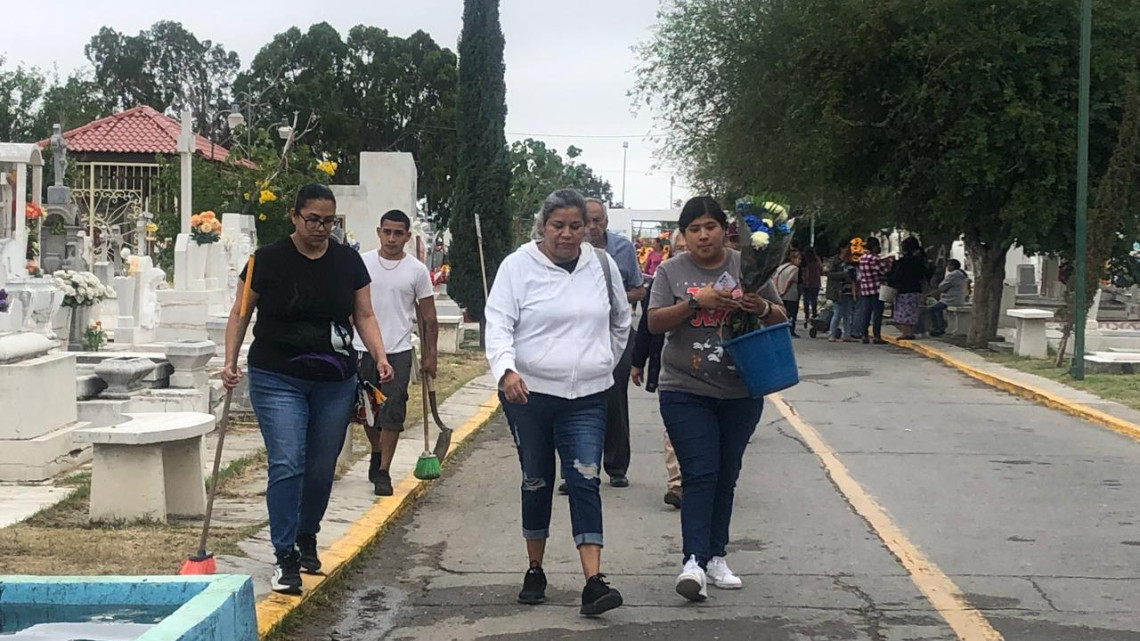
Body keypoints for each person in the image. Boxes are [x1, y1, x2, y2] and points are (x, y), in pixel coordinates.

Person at [222, 184, 395, 596]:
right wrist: (229, 361)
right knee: (287, 461)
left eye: (328, 221)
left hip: (335, 380)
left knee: (320, 467)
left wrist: (381, 355)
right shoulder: (265, 260)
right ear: (294, 216)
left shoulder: (348, 262)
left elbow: (364, 313)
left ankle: (306, 536)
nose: (321, 228)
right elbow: (240, 312)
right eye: (313, 219)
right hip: (276, 374)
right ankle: (284, 556)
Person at [485, 188, 631, 616]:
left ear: (588, 228)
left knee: (585, 478)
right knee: (537, 478)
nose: (567, 235)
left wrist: (602, 362)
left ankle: (594, 582)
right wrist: (507, 371)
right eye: (558, 226)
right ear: (543, 227)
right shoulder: (517, 266)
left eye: (576, 226)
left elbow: (620, 321)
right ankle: (535, 568)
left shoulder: (601, 265)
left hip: (587, 396)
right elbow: (498, 324)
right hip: (528, 395)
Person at [648, 196, 788, 602]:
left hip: (741, 388)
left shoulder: (747, 264)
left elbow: (780, 317)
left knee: (726, 474)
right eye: (694, 229)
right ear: (683, 235)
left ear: (725, 230)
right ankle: (693, 561)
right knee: (700, 473)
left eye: (710, 226)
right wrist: (695, 302)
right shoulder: (671, 270)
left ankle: (716, 556)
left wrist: (759, 304)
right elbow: (654, 322)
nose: (703, 235)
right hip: (684, 389)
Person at [354, 209, 438, 497]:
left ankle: (383, 470)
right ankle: (376, 449)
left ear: (407, 236)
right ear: (379, 232)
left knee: (392, 410)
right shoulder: (362, 263)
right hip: (362, 348)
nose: (391, 238)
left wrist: (430, 356)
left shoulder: (416, 271)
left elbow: (428, 317)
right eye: (387, 232)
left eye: (398, 233)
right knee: (367, 410)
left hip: (399, 350)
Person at [584, 197, 644, 488]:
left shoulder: (623, 248)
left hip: (617, 333)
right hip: (581, 336)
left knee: (615, 399)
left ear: (606, 221)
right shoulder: (568, 252)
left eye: (598, 220)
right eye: (588, 220)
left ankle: (617, 466)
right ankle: (581, 467)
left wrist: (615, 297)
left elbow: (638, 289)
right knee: (580, 401)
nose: (593, 226)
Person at [631, 229, 686, 510]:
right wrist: (637, 361)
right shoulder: (665, 278)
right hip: (671, 370)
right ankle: (677, 484)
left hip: (715, 372)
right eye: (681, 247)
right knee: (673, 428)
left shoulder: (722, 277)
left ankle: (702, 480)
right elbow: (646, 326)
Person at [853, 237, 894, 344]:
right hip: (876, 288)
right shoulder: (874, 259)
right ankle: (876, 336)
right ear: (875, 247)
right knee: (877, 313)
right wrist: (889, 261)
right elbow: (883, 270)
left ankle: (864, 335)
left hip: (865, 289)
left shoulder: (863, 258)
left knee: (865, 312)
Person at [890, 237, 929, 340]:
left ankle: (905, 332)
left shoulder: (901, 262)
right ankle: (910, 332)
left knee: (903, 312)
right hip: (915, 288)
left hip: (903, 290)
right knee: (912, 311)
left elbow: (895, 276)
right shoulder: (920, 261)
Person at [826, 242, 858, 342]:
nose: (848, 250)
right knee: (838, 313)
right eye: (846, 248)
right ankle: (832, 334)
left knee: (848, 314)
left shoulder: (850, 261)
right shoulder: (835, 261)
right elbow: (830, 274)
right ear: (841, 249)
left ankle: (847, 334)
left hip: (848, 290)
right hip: (838, 291)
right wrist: (844, 275)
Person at [928, 259, 969, 337]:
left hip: (950, 299)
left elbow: (942, 286)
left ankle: (939, 328)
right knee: (936, 308)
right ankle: (940, 326)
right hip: (956, 298)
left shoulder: (953, 275)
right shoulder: (961, 274)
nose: (947, 267)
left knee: (933, 309)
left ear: (953, 266)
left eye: (948, 265)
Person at [774, 249, 802, 337]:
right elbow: (790, 280)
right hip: (791, 295)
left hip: (780, 294)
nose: (800, 261)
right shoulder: (795, 269)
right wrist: (784, 290)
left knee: (782, 313)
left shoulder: (781, 267)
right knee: (792, 314)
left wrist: (777, 289)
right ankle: (791, 330)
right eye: (799, 259)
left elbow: (775, 278)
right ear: (793, 259)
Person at [800, 247, 824, 327]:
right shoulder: (816, 259)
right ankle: (814, 315)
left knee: (806, 300)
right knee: (814, 300)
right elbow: (821, 270)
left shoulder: (804, 260)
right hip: (815, 282)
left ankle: (806, 316)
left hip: (806, 282)